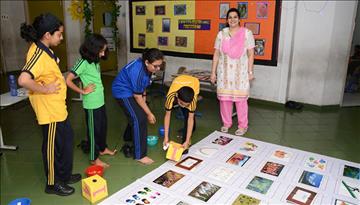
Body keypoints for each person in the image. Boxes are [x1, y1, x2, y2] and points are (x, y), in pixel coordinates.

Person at [18, 13, 81, 196]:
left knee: (66, 142)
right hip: (49, 111)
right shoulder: (37, 54)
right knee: (52, 148)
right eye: (59, 34)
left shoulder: (46, 48)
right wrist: (45, 90)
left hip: (58, 108)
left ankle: (64, 175)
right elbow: (23, 79)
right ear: (47, 35)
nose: (61, 38)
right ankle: (53, 184)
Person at [66, 33, 116, 168]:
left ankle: (102, 148)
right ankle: (94, 158)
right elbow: (68, 80)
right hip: (91, 104)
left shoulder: (95, 60)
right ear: (93, 49)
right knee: (93, 131)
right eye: (101, 50)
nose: (103, 53)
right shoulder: (82, 63)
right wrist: (82, 91)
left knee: (102, 127)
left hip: (100, 101)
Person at [112, 48, 164, 165]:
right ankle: (140, 155)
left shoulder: (146, 67)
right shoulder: (138, 71)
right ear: (146, 62)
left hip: (133, 91)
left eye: (160, 65)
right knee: (139, 118)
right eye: (155, 66)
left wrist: (144, 97)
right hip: (122, 92)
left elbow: (143, 86)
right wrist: (149, 113)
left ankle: (128, 137)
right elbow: (137, 96)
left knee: (136, 113)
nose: (158, 69)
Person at [210, 8, 255, 136]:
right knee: (225, 100)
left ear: (239, 19)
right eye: (230, 17)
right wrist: (213, 72)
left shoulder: (247, 33)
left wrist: (250, 72)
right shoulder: (222, 34)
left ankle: (242, 125)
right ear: (227, 20)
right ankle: (226, 123)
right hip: (224, 72)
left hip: (240, 73)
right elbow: (216, 54)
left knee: (241, 100)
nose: (232, 19)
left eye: (235, 17)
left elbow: (251, 54)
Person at [163, 75, 200, 154]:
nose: (184, 106)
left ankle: (185, 142)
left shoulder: (193, 100)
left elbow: (190, 118)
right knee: (184, 111)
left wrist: (187, 140)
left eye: (187, 105)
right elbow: (167, 116)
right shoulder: (170, 97)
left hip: (194, 82)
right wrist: (166, 137)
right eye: (182, 103)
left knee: (188, 116)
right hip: (178, 82)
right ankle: (189, 132)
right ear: (177, 98)